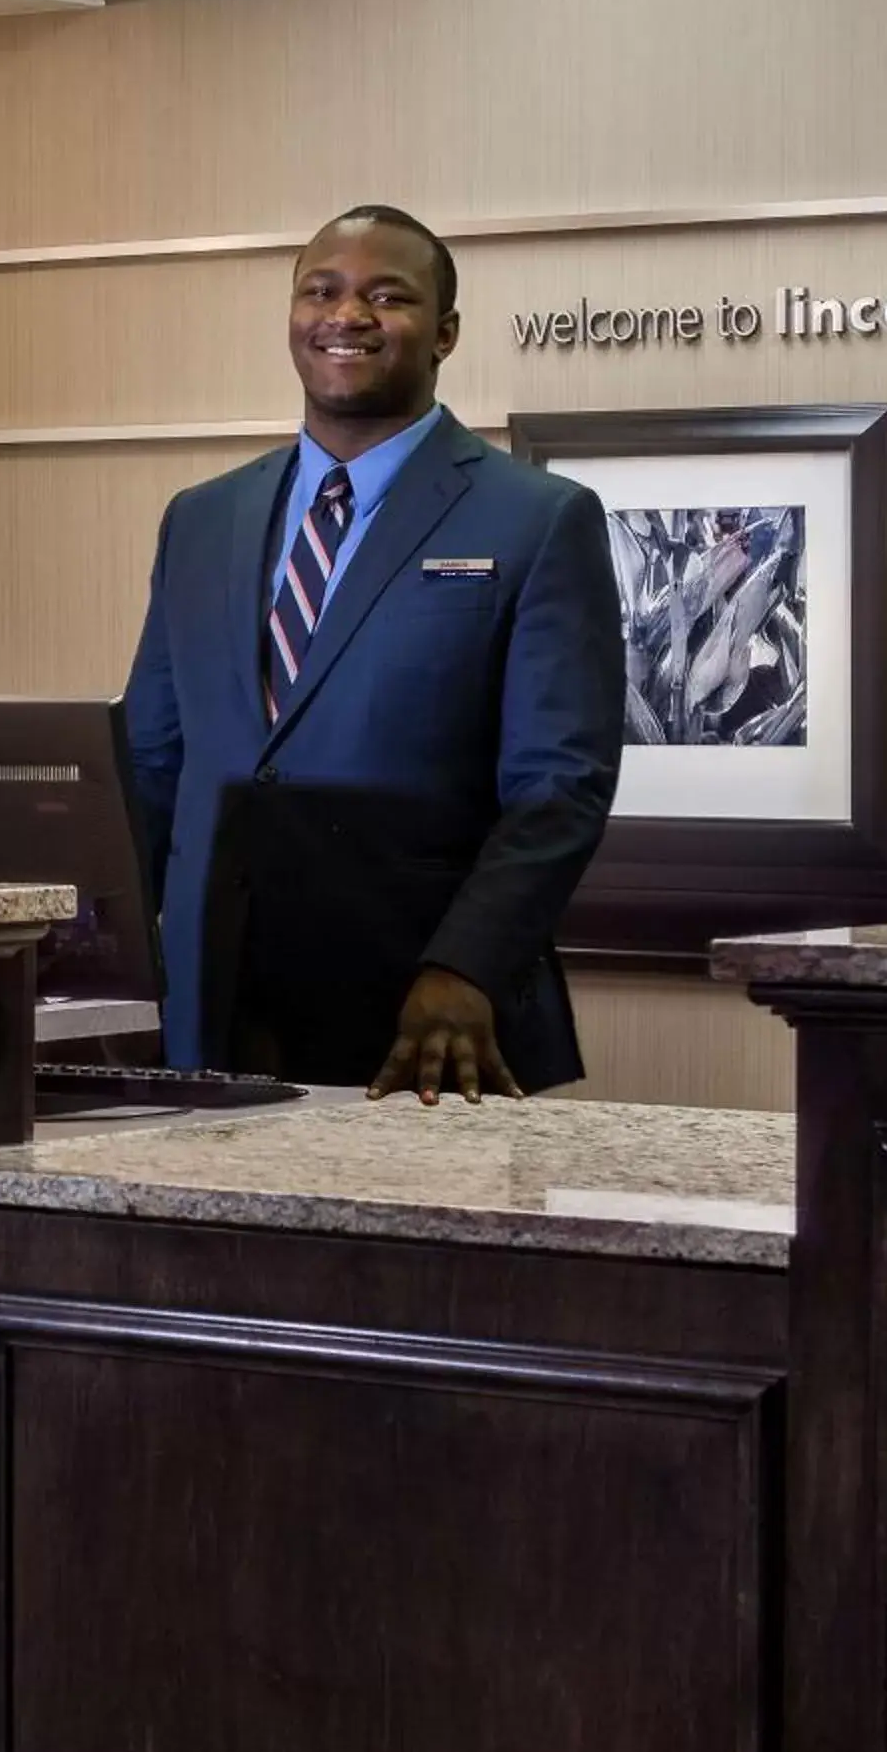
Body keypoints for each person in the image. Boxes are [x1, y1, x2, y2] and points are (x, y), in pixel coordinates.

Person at [122, 205, 624, 1104]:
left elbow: (559, 787)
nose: (346, 315)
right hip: (207, 1012)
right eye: (322, 290)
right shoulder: (200, 519)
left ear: (444, 334)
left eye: (386, 297)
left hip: (425, 1028)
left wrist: (466, 967)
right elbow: (155, 764)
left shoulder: (540, 520)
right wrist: (88, 952)